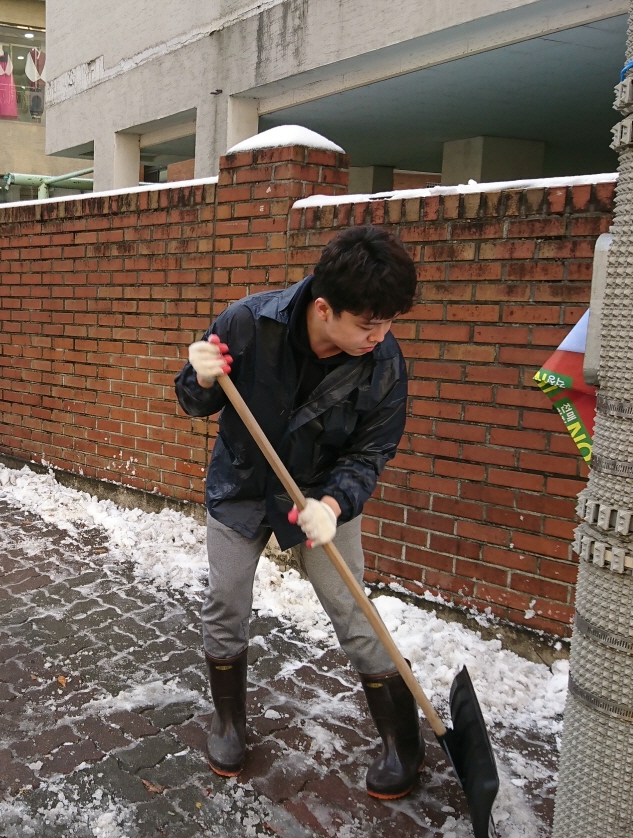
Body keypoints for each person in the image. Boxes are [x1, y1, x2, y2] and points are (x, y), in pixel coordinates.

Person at [175, 225, 421, 797]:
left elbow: (372, 449)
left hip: (321, 493)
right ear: (324, 308)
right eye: (367, 324)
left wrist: (334, 503)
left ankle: (401, 740)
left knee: (352, 608)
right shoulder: (247, 323)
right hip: (242, 486)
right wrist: (201, 376)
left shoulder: (384, 363)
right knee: (226, 600)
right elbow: (192, 399)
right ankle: (229, 722)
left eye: (388, 323)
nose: (379, 336)